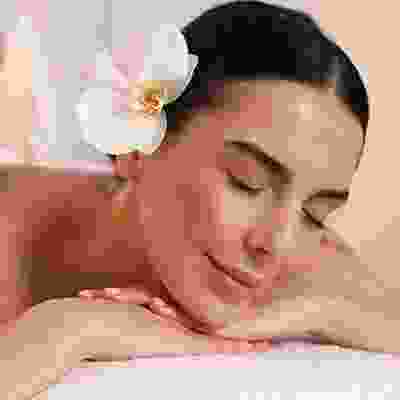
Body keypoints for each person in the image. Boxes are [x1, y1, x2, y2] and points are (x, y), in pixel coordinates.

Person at [2, 1, 398, 399]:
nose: (275, 244)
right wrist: (68, 328)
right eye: (246, 181)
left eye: (315, 214)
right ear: (136, 151)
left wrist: (317, 314)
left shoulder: (304, 260)